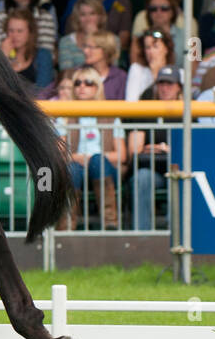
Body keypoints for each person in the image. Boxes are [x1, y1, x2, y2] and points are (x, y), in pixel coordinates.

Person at [58, 66, 125, 230]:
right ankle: (66, 223)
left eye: (88, 83)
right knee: (72, 168)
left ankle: (110, 222)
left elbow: (122, 156)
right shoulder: (65, 116)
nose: (82, 87)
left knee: (98, 161)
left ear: (97, 87)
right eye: (77, 83)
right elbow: (59, 154)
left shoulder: (111, 117)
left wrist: (93, 157)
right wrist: (79, 158)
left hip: (105, 169)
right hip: (76, 167)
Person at [128, 66, 183, 230]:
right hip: (152, 170)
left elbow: (193, 147)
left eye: (170, 84)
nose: (165, 88)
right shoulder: (146, 110)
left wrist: (156, 147)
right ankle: (142, 234)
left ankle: (176, 232)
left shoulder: (188, 110)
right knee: (141, 177)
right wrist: (165, 148)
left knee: (181, 177)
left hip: (178, 169)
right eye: (161, 84)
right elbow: (135, 150)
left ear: (179, 87)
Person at [0, 8, 53, 93]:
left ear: (30, 32)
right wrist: (3, 58)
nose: (14, 35)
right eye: (11, 30)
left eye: (20, 31)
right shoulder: (1, 55)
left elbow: (43, 90)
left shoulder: (43, 55)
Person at [57, 0, 106, 72]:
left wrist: (94, 37)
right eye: (83, 14)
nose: (88, 19)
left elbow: (110, 70)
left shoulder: (112, 40)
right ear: (77, 18)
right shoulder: (66, 42)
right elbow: (66, 72)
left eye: (92, 14)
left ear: (100, 16)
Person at [125, 30, 176, 101]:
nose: (151, 51)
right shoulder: (136, 70)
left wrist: (157, 75)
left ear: (166, 49)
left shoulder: (178, 73)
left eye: (155, 47)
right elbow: (131, 102)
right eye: (147, 47)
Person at [79, 29, 126, 100]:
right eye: (85, 46)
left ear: (105, 50)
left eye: (91, 47)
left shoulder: (120, 77)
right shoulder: (79, 73)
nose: (85, 51)